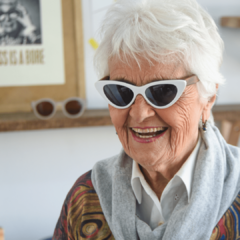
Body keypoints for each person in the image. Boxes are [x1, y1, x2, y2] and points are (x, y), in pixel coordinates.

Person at [53, 0, 240, 239]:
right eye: (121, 91)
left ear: (208, 97)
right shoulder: (85, 197)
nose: (140, 113)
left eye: (163, 91)